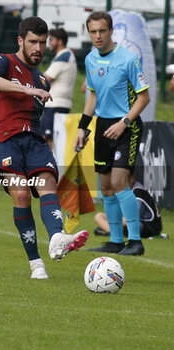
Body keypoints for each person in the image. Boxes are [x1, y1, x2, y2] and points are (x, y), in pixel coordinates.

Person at [0, 16, 88, 280]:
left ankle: (57, 239)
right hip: (6, 139)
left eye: (42, 42)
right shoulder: (4, 61)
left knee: (48, 183)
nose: (38, 48)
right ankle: (36, 263)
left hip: (34, 141)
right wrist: (26, 90)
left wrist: (33, 89)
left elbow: (34, 116)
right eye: (32, 42)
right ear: (21, 41)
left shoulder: (43, 80)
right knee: (21, 196)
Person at [74, 11, 150, 255]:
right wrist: (83, 128)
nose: (97, 36)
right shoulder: (90, 60)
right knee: (105, 187)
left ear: (111, 31)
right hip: (103, 126)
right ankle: (115, 241)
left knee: (119, 182)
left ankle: (135, 242)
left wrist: (124, 122)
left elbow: (144, 97)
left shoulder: (128, 59)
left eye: (102, 31)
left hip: (127, 126)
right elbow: (93, 95)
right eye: (93, 31)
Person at [92, 175, 164, 241]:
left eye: (120, 180)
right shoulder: (123, 191)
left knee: (130, 221)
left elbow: (134, 216)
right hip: (130, 222)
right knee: (99, 216)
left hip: (149, 227)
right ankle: (113, 231)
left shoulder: (138, 192)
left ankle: (113, 231)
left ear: (131, 179)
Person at [41, 28, 77, 150]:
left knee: (48, 140)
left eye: (51, 39)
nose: (49, 42)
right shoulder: (67, 55)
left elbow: (45, 79)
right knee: (53, 140)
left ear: (60, 41)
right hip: (60, 104)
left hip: (55, 104)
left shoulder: (64, 57)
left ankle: (48, 167)